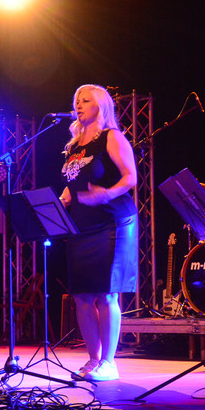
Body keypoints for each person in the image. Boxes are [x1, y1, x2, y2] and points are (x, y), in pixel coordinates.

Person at [60, 85, 138, 382]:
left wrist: (106, 194)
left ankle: (109, 362)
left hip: (111, 222)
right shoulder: (73, 146)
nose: (79, 105)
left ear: (100, 106)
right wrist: (66, 196)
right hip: (81, 225)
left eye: (86, 100)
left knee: (106, 294)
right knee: (82, 296)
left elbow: (130, 177)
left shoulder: (111, 137)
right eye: (76, 101)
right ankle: (93, 359)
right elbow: (74, 182)